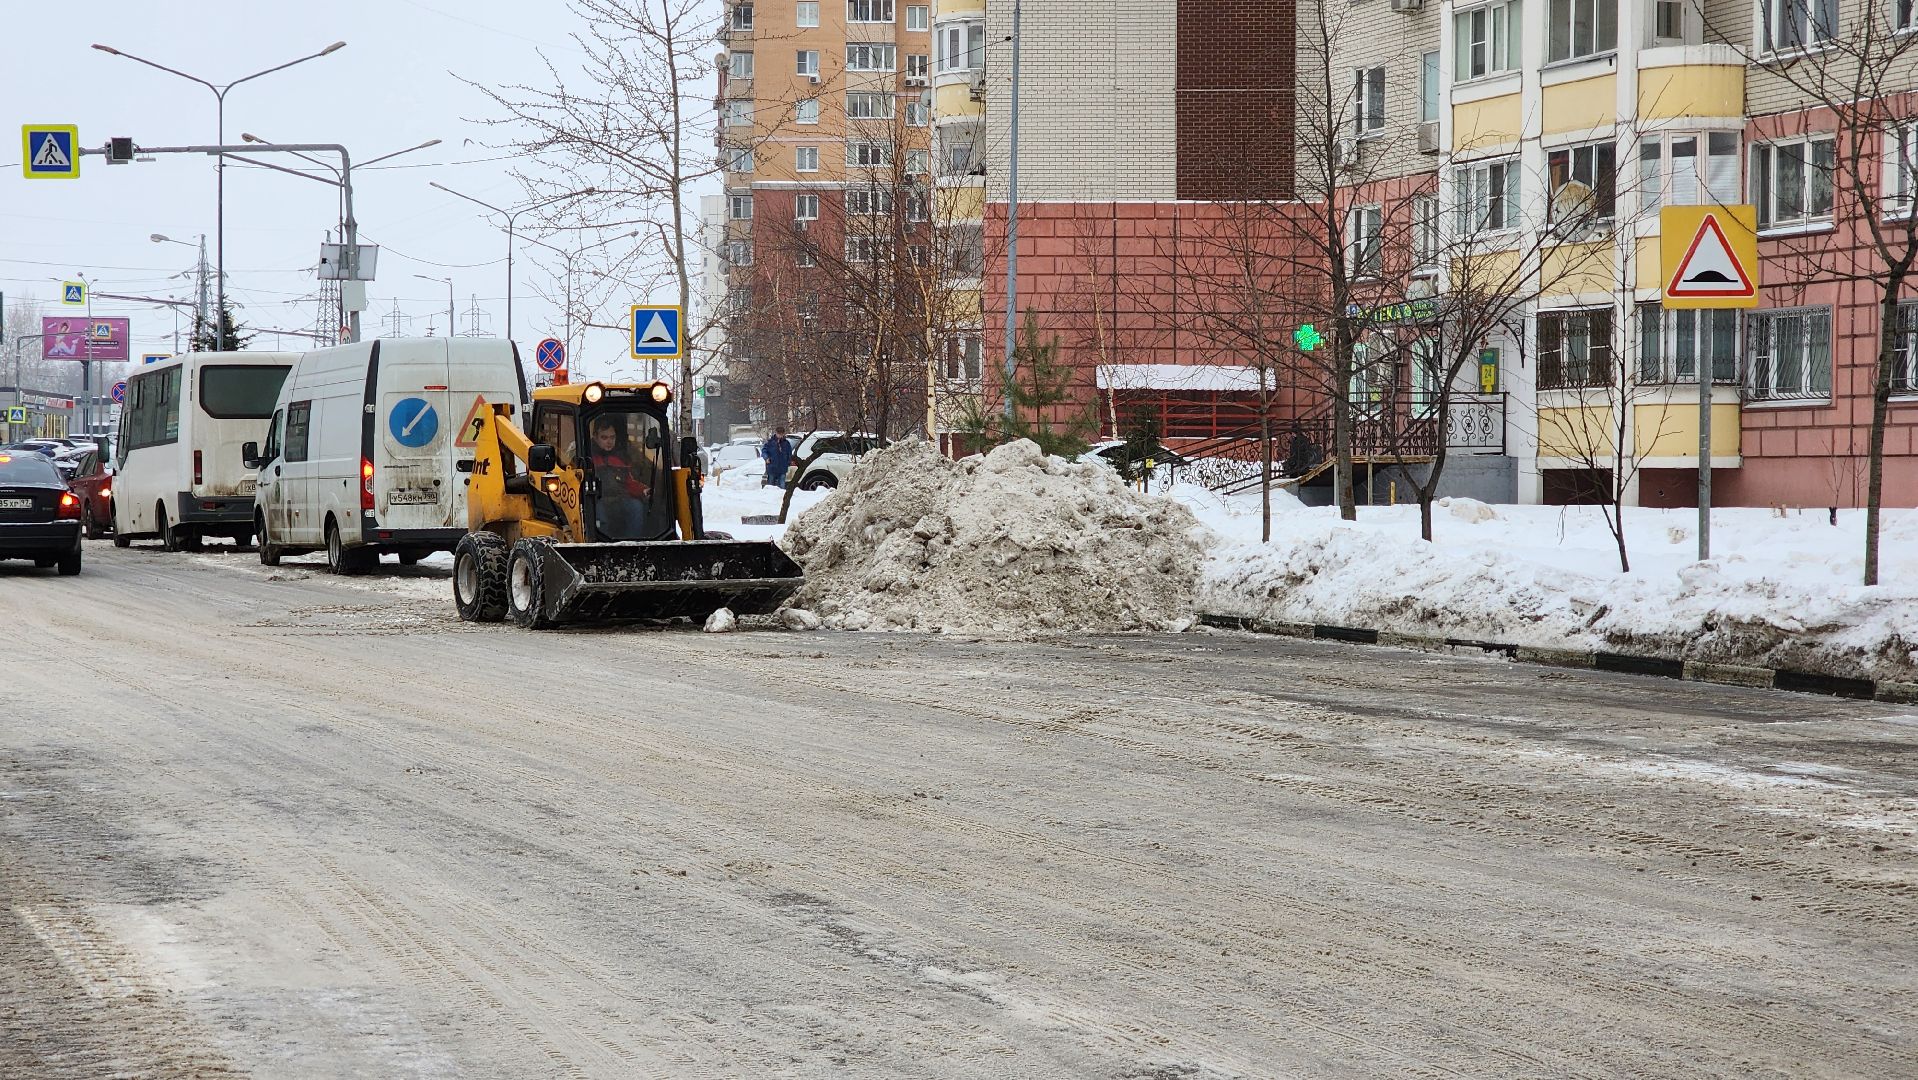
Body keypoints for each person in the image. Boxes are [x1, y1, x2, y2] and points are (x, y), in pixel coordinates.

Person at [589, 418, 652, 538]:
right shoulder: (587, 457)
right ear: (595, 437)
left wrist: (643, 490)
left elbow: (628, 482)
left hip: (618, 499)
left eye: (612, 437)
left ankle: (632, 544)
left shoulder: (619, 459)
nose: (609, 441)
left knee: (636, 507)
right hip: (596, 500)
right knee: (599, 513)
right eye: (604, 437)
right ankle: (600, 544)